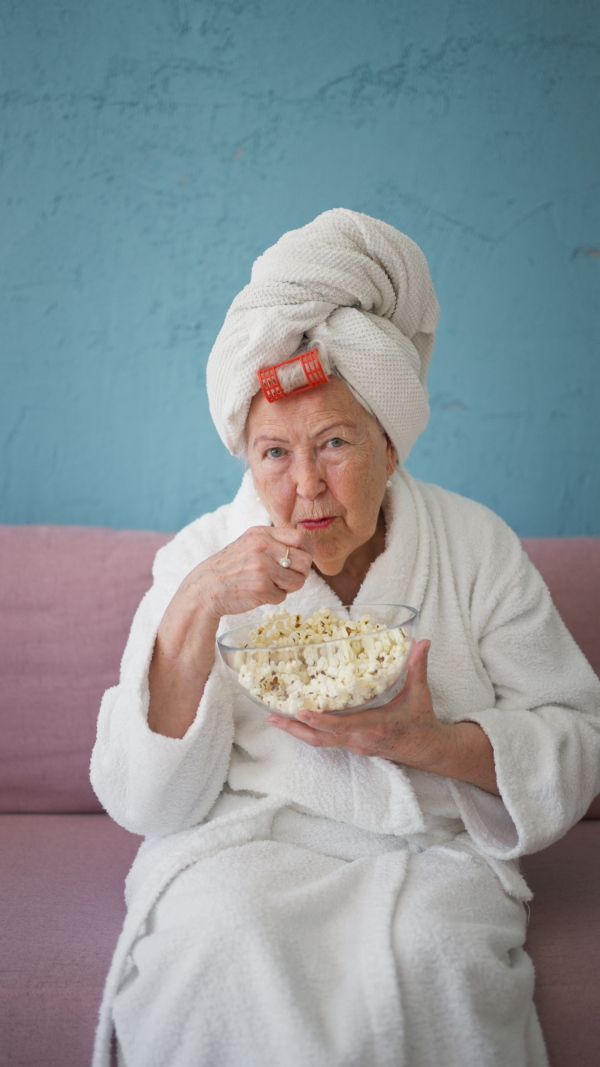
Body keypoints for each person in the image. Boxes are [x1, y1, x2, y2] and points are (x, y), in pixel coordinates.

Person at [90, 209, 600, 1067]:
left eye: (333, 444)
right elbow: (144, 804)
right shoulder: (199, 558)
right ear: (246, 458)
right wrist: (192, 610)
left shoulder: (475, 546)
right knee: (219, 931)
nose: (305, 488)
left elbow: (580, 741)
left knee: (437, 947)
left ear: (390, 444)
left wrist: (433, 743)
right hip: (248, 845)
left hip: (431, 852)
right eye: (273, 453)